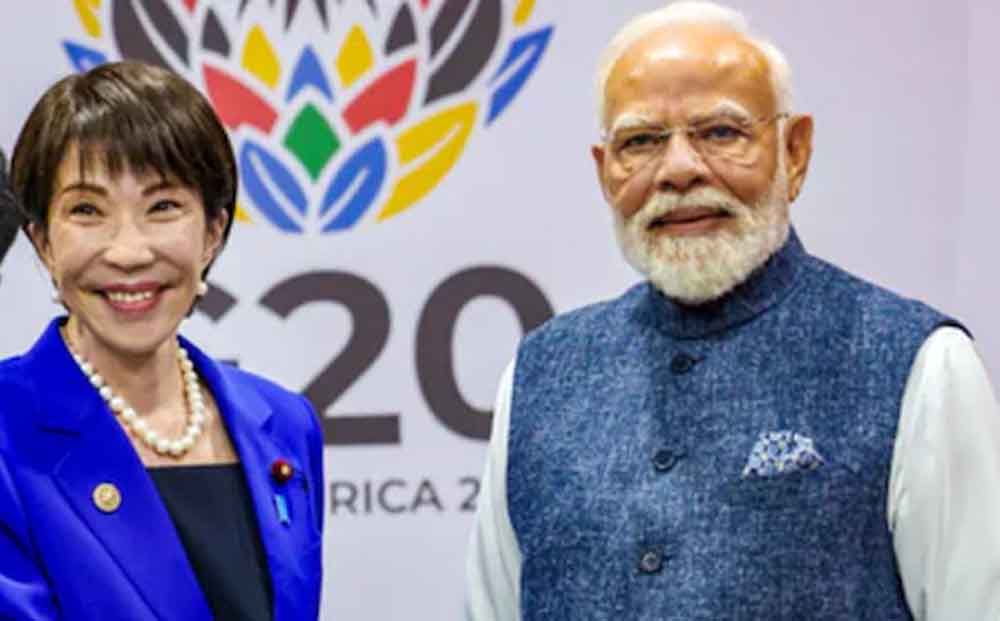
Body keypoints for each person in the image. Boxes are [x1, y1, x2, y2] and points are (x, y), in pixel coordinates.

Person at [465, 2, 1000, 620]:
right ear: (606, 173)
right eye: (641, 142)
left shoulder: (920, 365)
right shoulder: (539, 378)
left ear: (794, 152)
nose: (679, 170)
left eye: (721, 132)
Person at [0, 61, 324, 620]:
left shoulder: (284, 424)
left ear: (212, 232)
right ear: (43, 242)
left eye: (163, 207)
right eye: (87, 211)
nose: (128, 252)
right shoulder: (8, 427)